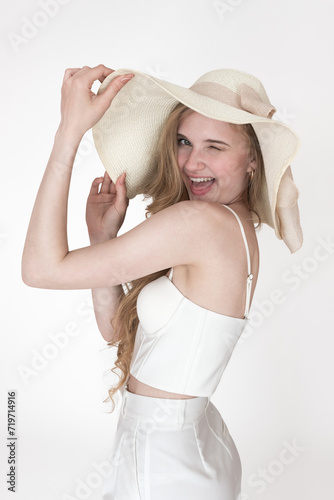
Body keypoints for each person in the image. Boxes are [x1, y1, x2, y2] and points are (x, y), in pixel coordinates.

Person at [21, 64, 302, 500]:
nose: (192, 162)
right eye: (184, 141)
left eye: (215, 146)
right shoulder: (233, 226)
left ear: (252, 162)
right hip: (191, 443)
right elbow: (119, 331)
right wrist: (102, 240)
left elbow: (40, 270)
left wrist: (68, 135)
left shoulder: (200, 224)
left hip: (164, 460)